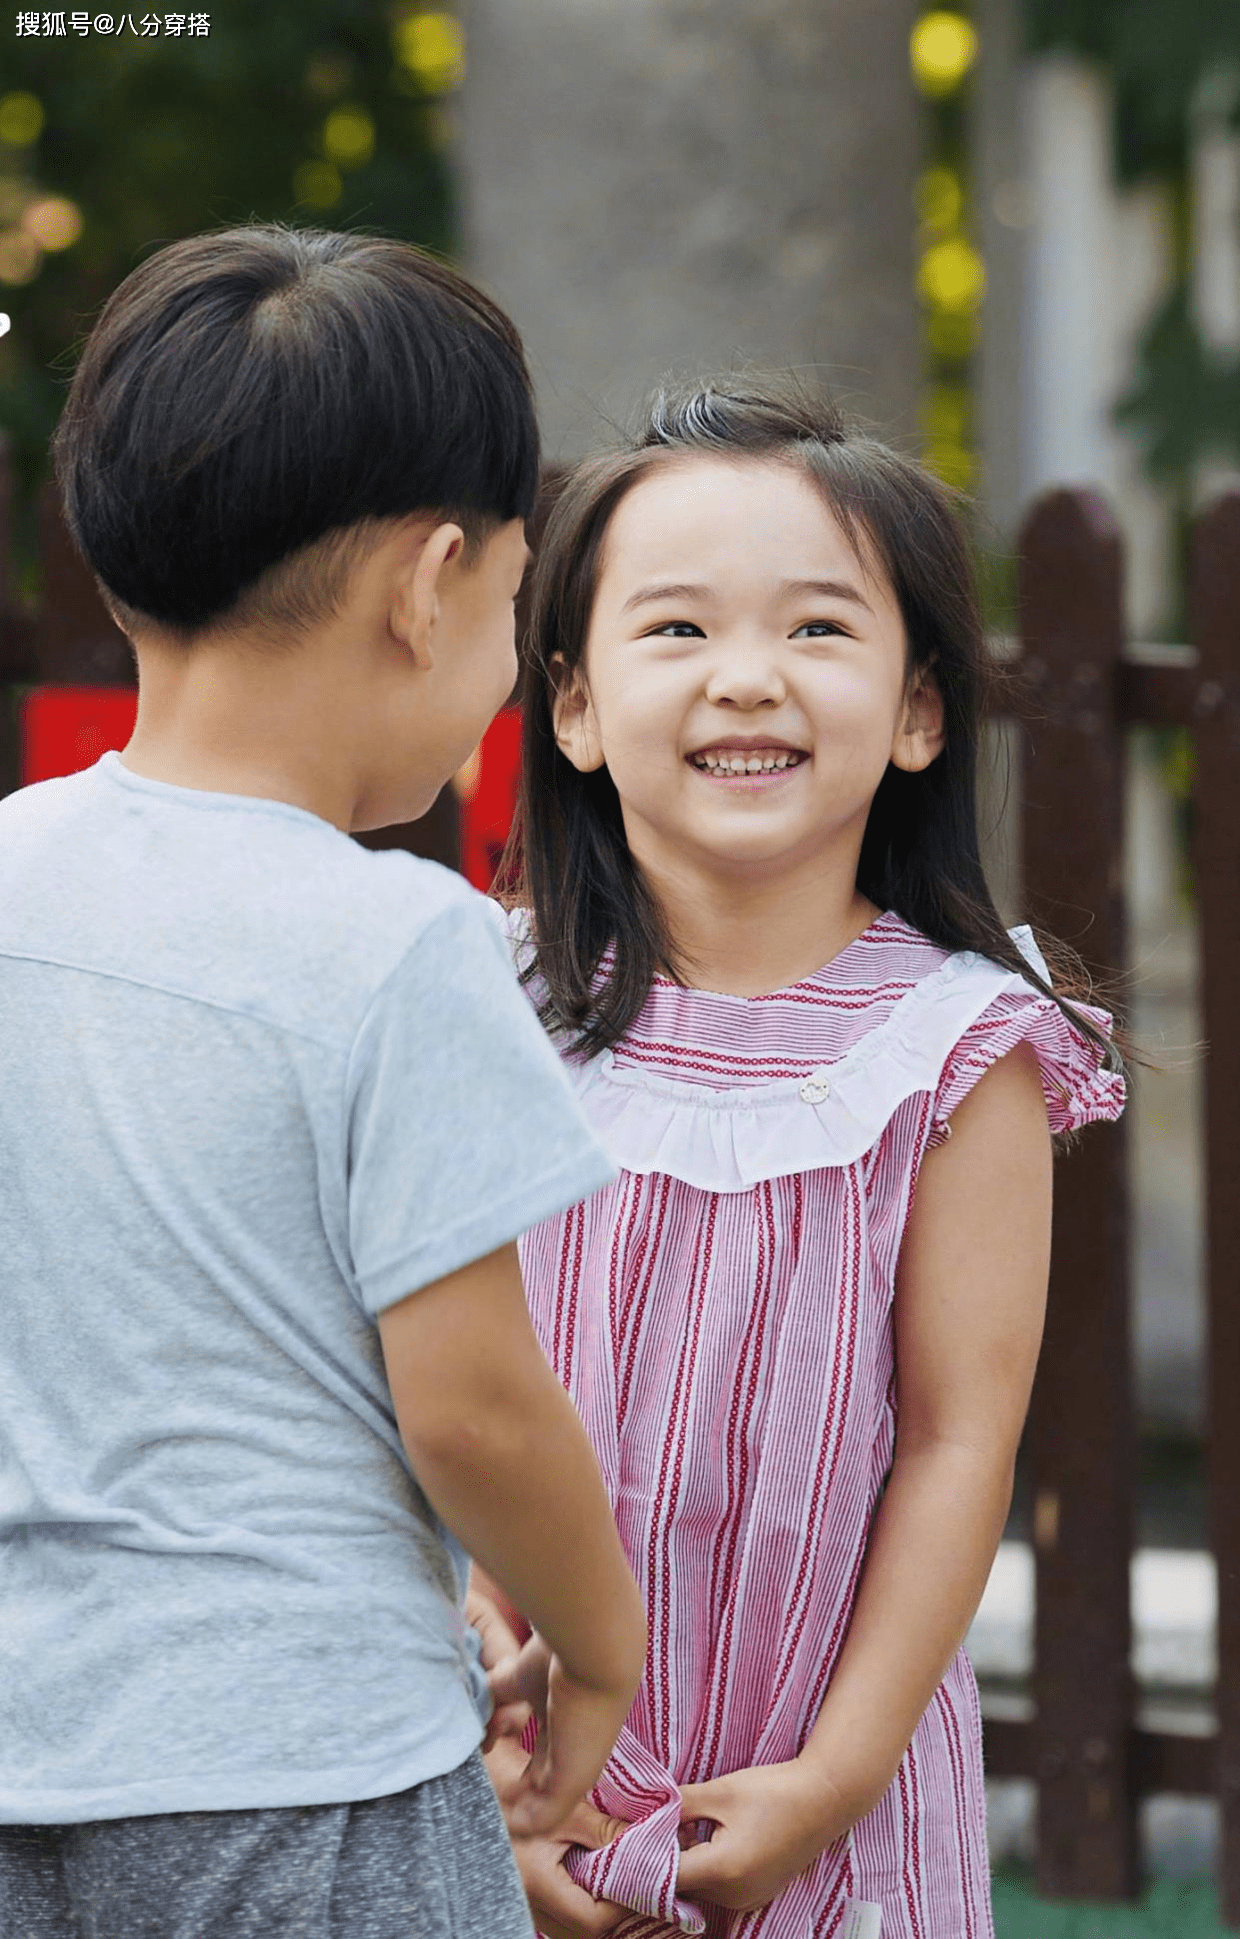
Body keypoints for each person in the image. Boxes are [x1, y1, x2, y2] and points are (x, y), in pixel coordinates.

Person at [0, 225, 646, 1939]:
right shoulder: (399, 942)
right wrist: (600, 1639)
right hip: (306, 1781)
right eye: (516, 600)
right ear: (430, 583)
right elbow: (475, 1408)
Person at [476, 383, 1126, 1939]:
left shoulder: (961, 1048)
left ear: (919, 711)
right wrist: (499, 1746)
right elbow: (437, 1396)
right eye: (680, 631)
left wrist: (831, 1779)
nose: (748, 681)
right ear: (571, 704)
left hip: (840, 1794)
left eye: (820, 631)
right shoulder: (480, 1002)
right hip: (509, 1768)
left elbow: (959, 1439)